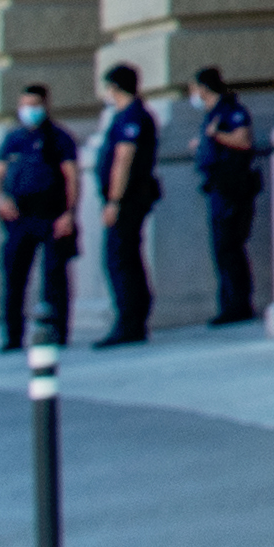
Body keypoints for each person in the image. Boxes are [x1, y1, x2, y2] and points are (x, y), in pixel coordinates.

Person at [0, 82, 82, 355]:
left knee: (54, 275)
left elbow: (71, 176)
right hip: (19, 216)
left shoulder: (59, 138)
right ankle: (13, 335)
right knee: (14, 276)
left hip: (51, 214)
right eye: (25, 105)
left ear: (45, 105)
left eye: (35, 105)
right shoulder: (13, 139)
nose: (30, 111)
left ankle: (57, 331)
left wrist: (69, 213)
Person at [88, 64, 166, 347]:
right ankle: (132, 319)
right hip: (130, 198)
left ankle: (129, 321)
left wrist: (114, 201)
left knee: (119, 258)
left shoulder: (132, 117)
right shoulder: (127, 116)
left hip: (129, 199)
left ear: (114, 88)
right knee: (126, 257)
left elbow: (124, 159)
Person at [189, 68, 263, 329]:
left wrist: (215, 136)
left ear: (204, 88)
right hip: (218, 188)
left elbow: (244, 140)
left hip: (232, 188)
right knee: (223, 249)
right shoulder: (213, 114)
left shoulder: (230, 110)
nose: (193, 95)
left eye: (194, 89)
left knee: (230, 247)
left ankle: (238, 305)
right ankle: (229, 303)